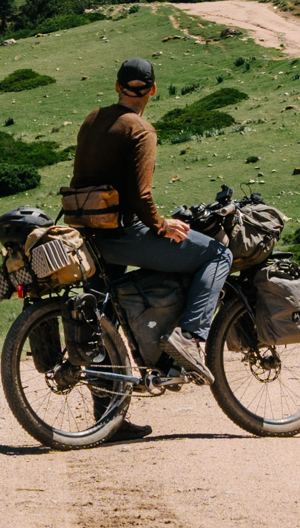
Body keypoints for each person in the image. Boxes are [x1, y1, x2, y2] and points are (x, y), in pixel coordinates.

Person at [71, 56, 229, 387]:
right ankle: (189, 339)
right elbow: (142, 196)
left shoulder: (92, 119)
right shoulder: (140, 130)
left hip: (88, 235)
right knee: (217, 255)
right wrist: (162, 225)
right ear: (153, 90)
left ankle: (109, 415)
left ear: (117, 87)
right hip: (123, 234)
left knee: (102, 321)